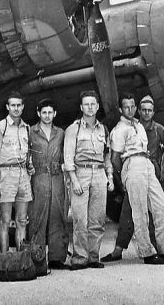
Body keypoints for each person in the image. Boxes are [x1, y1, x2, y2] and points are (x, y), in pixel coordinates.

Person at [109, 93, 164, 265]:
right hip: (132, 163)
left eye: (132, 106)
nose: (130, 109)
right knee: (139, 212)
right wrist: (125, 176)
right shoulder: (119, 130)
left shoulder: (139, 126)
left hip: (147, 163)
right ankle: (147, 252)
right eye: (126, 107)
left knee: (161, 207)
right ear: (120, 109)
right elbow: (114, 158)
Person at [63, 91, 114, 271]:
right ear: (81, 107)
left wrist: (110, 176)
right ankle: (79, 258)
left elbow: (107, 156)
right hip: (81, 174)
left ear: (97, 106)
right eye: (86, 104)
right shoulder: (73, 129)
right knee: (80, 219)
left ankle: (93, 257)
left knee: (97, 219)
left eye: (93, 104)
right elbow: (68, 157)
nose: (90, 108)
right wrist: (74, 180)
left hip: (99, 174)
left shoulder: (103, 129)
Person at [27, 98, 71, 269]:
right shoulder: (31, 131)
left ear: (55, 114)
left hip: (57, 177)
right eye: (43, 112)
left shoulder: (60, 133)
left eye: (50, 112)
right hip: (38, 177)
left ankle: (56, 258)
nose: (47, 116)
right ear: (38, 113)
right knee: (37, 217)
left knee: (58, 216)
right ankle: (36, 258)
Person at [0, 92, 33, 254]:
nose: (16, 108)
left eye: (19, 105)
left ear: (23, 107)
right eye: (12, 105)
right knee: (5, 221)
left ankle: (21, 260)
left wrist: (30, 166)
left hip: (23, 174)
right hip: (6, 174)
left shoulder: (26, 128)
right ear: (7, 107)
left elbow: (28, 154)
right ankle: (5, 260)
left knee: (22, 220)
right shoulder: (0, 127)